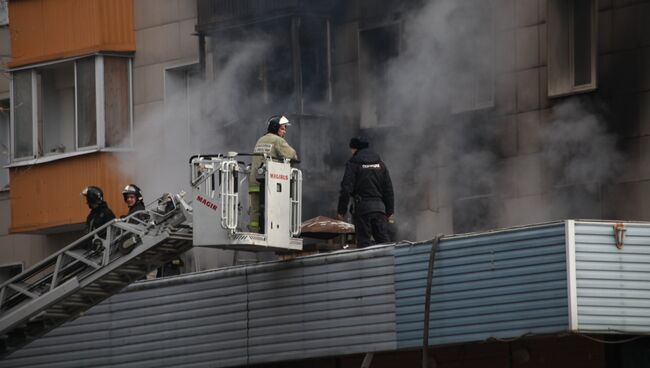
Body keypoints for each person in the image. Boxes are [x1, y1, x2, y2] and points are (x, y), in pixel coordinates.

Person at [337, 137, 394, 248]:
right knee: (385, 243)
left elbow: (346, 189)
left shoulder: (353, 163)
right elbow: (388, 189)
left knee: (364, 244)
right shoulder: (380, 163)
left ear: (355, 148)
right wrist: (389, 211)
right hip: (380, 210)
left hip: (363, 210)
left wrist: (341, 211)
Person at [248, 115, 298, 233]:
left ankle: (254, 231)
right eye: (282, 128)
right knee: (272, 208)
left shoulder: (260, 139)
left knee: (255, 209)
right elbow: (293, 155)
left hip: (254, 181)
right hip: (269, 183)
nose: (284, 131)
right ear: (275, 128)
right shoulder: (278, 140)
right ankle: (272, 232)